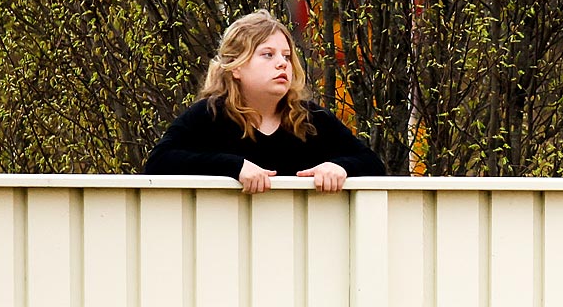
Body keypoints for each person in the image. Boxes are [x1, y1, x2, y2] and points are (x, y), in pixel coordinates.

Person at [145, 10, 384, 193]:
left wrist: (340, 168)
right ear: (236, 67)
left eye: (287, 56)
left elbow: (373, 164)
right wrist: (233, 167)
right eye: (267, 54)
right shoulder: (210, 115)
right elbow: (159, 163)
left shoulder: (311, 120)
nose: (282, 63)